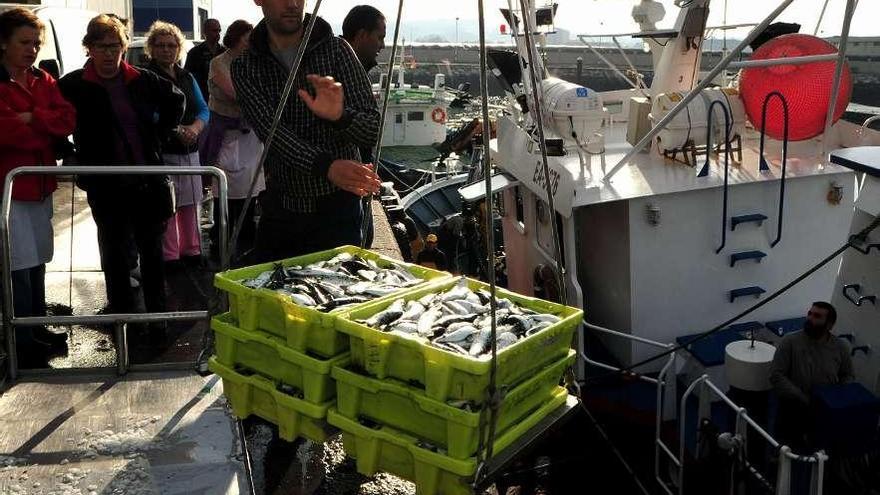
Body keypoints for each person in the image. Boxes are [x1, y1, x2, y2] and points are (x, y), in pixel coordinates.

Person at [231, 0, 381, 262]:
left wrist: (340, 116)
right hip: (283, 208)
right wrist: (327, 166)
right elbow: (273, 133)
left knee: (340, 294)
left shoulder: (337, 50)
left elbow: (371, 129)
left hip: (340, 211)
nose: (292, 4)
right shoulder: (245, 66)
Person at [59, 14, 184, 326]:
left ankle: (158, 318)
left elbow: (177, 100)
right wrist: (69, 153)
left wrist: (159, 133)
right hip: (106, 186)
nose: (108, 52)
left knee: (152, 255)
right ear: (88, 48)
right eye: (100, 46)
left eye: (114, 45)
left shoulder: (142, 79)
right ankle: (122, 320)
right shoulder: (73, 84)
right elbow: (53, 121)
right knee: (114, 256)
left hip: (146, 182)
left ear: (124, 47)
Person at [0, 7, 76, 367]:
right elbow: (5, 132)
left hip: (41, 186)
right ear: (3, 44)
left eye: (35, 43)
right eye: (24, 43)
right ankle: (21, 335)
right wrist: (43, 127)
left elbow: (67, 119)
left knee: (39, 260)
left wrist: (34, 120)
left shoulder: (43, 79)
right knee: (18, 264)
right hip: (11, 191)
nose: (32, 50)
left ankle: (37, 324)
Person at [144, 21, 208, 266]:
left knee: (192, 202)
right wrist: (176, 129)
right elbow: (147, 112)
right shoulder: (145, 77)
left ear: (179, 48)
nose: (166, 50)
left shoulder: (187, 76)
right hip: (163, 151)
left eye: (171, 45)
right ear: (151, 48)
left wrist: (194, 128)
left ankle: (192, 250)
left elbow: (203, 109)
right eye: (160, 45)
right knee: (168, 205)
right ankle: (169, 255)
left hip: (190, 149)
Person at [204, 19, 265, 263]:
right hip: (226, 134)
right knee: (224, 189)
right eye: (246, 38)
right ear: (237, 37)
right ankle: (221, 240)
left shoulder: (256, 62)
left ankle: (247, 239)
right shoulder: (219, 62)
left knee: (252, 188)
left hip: (250, 134)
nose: (250, 43)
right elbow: (235, 93)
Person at [770, 302, 854, 450]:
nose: (809, 318)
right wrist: (802, 397)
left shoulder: (840, 347)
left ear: (829, 324)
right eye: (810, 313)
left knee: (820, 448)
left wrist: (837, 397)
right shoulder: (790, 342)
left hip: (825, 408)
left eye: (817, 316)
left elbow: (848, 374)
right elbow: (777, 375)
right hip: (793, 407)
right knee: (786, 449)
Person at [341, 5, 387, 248]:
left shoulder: (355, 70)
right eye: (379, 37)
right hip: (346, 190)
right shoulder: (344, 72)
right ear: (360, 35)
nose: (381, 45)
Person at [184, 18, 225, 99]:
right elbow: (188, 77)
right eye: (214, 30)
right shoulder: (195, 53)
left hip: (222, 98)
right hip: (202, 96)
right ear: (205, 32)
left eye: (219, 31)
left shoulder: (224, 51)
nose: (218, 34)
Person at [341, 5, 386, 75]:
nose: (383, 46)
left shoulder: (341, 64)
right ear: (362, 35)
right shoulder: (346, 74)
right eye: (380, 38)